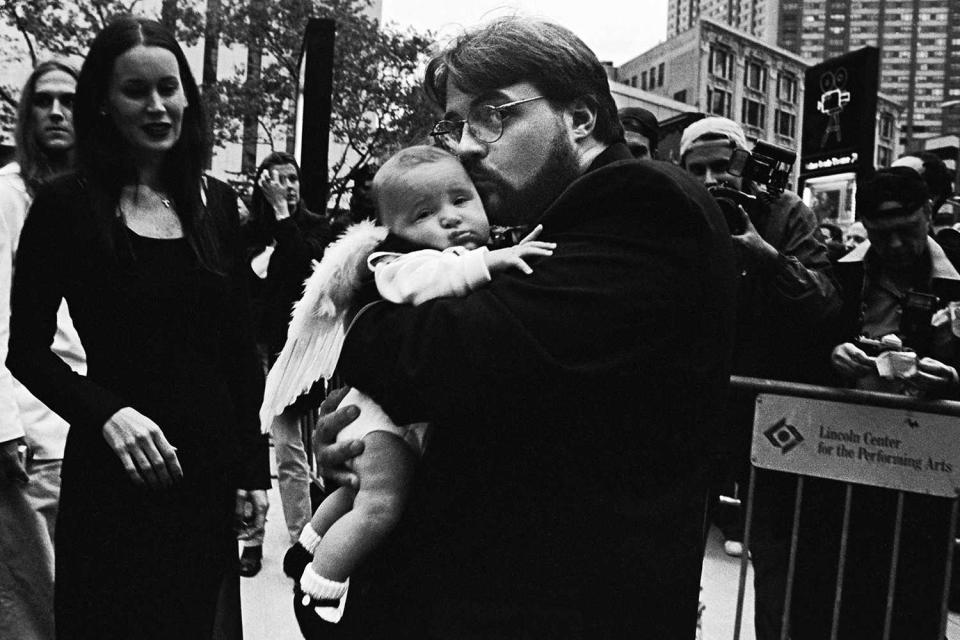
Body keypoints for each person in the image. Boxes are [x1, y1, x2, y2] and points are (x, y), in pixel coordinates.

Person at [303, 16, 737, 639]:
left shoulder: (643, 203)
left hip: (551, 606)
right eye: (458, 124)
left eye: (493, 114)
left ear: (580, 118)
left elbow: (449, 358)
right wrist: (364, 446)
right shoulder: (558, 223)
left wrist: (361, 323)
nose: (467, 145)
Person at [5, 17, 269, 639]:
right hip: (113, 475)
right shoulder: (65, 206)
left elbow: (237, 350)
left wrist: (252, 468)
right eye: (135, 91)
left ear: (187, 95)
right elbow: (26, 353)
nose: (157, 105)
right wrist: (105, 412)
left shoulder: (218, 204)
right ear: (103, 101)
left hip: (203, 474)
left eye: (168, 87)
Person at [264, 144, 555, 621]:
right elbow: (431, 280)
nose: (448, 219)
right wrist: (495, 260)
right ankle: (321, 585)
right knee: (380, 504)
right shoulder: (397, 263)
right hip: (383, 421)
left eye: (461, 200)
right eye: (424, 213)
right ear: (393, 231)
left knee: (360, 491)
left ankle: (309, 543)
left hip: (388, 423)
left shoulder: (480, 247)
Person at [678, 116, 841, 639]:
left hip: (772, 409)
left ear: (746, 166)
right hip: (700, 404)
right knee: (675, 542)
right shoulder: (677, 211)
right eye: (695, 169)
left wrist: (768, 259)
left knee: (776, 555)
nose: (709, 181)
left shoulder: (787, 213)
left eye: (721, 167)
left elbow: (827, 302)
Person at [793, 167, 960, 639]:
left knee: (917, 591)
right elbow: (804, 347)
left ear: (929, 213)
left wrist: (952, 380)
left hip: (928, 465)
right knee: (841, 586)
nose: (896, 247)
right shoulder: (841, 271)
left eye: (907, 231)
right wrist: (832, 356)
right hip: (847, 456)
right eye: (881, 235)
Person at [0, 60, 85, 640]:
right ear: (26, 113)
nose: (57, 112)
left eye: (70, 101)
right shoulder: (7, 196)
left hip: (91, 426)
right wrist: (4, 425)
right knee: (32, 606)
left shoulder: (91, 196)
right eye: (44, 100)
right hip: (31, 435)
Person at [241, 151, 334, 576]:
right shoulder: (246, 231)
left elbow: (301, 264)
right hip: (248, 349)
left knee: (290, 449)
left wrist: (283, 214)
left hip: (291, 354)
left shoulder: (315, 228)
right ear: (262, 184)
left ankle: (302, 540)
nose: (288, 186)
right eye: (278, 179)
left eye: (292, 178)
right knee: (247, 442)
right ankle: (251, 538)